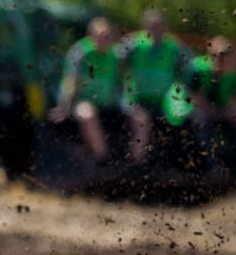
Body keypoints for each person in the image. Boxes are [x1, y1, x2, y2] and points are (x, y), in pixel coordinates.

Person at [118, 9, 191, 163]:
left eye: (159, 26)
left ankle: (175, 165)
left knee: (185, 121)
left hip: (163, 103)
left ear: (165, 28)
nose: (156, 30)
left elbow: (191, 66)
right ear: (145, 27)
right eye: (152, 26)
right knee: (142, 122)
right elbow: (114, 60)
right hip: (136, 101)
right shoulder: (134, 44)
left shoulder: (174, 47)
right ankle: (136, 165)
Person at [183, 36, 236, 183]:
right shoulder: (198, 71)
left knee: (234, 122)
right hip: (186, 110)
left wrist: (231, 115)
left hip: (213, 112)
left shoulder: (229, 76)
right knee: (202, 121)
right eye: (220, 57)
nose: (224, 61)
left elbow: (231, 104)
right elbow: (198, 103)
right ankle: (211, 167)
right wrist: (223, 114)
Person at [51, 17, 119, 163]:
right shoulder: (81, 53)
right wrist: (64, 106)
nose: (105, 40)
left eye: (107, 36)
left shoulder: (113, 55)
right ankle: (103, 158)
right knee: (87, 112)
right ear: (91, 36)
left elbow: (119, 83)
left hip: (106, 104)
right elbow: (71, 82)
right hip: (81, 102)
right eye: (101, 36)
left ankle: (137, 162)